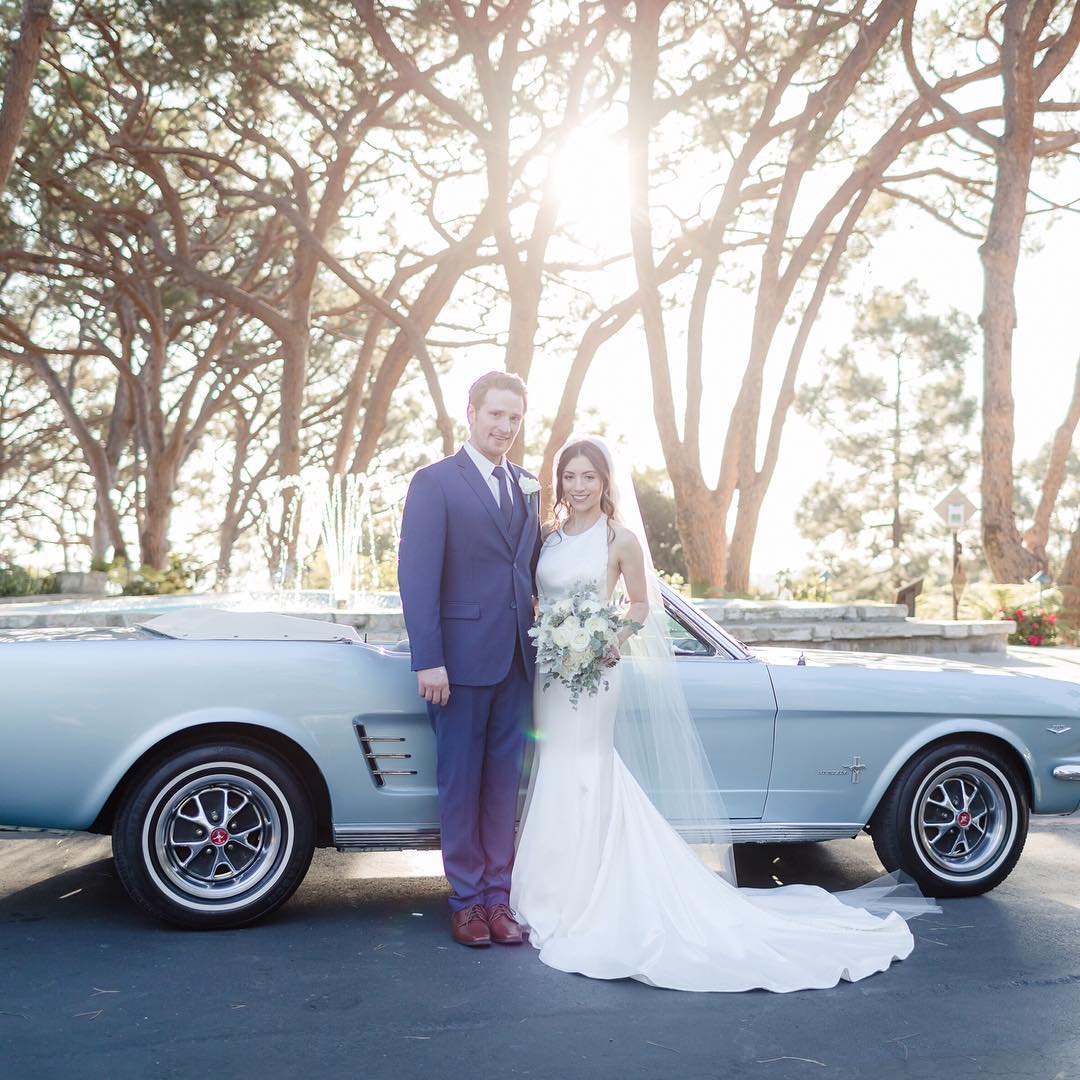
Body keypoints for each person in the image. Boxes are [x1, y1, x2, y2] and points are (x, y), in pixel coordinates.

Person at [510, 434, 938, 992]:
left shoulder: (620, 539)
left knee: (587, 768)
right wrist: (555, 636)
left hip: (595, 672)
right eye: (570, 477)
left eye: (589, 476)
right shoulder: (548, 535)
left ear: (605, 482)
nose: (579, 486)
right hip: (551, 669)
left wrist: (608, 637)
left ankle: (590, 892)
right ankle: (550, 888)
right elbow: (538, 598)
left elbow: (640, 605)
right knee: (555, 766)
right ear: (560, 480)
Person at [397, 371, 542, 947]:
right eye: (496, 415)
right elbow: (416, 576)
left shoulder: (529, 484)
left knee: (506, 784)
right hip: (456, 664)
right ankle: (465, 901)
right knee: (460, 783)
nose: (505, 427)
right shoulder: (435, 483)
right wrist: (429, 658)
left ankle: (499, 898)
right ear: (472, 413)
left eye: (514, 418)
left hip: (517, 661)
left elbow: (527, 571)